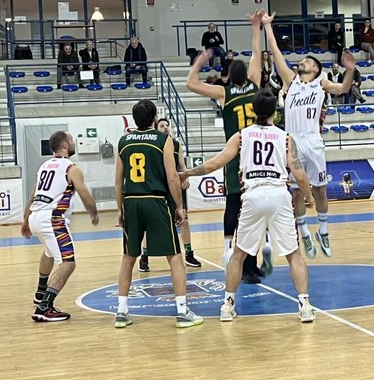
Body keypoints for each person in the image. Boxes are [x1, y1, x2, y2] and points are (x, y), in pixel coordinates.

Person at [184, 89, 316, 323]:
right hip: (278, 194)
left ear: (253, 111)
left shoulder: (241, 136)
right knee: (294, 254)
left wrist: (187, 172)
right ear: (274, 113)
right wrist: (309, 198)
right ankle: (305, 305)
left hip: (253, 195)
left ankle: (227, 305)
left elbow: (215, 163)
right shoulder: (285, 138)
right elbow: (300, 174)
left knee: (238, 254)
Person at [264, 17, 357, 258]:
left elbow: (344, 89)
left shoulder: (321, 84)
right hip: (292, 141)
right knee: (295, 192)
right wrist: (267, 26)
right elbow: (275, 53)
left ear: (315, 68)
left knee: (321, 190)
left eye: (306, 60)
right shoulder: (290, 81)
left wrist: (350, 69)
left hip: (313, 142)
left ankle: (323, 230)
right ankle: (304, 232)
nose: (301, 62)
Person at [187, 10, 266, 283]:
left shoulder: (224, 93)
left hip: (236, 156)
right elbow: (257, 53)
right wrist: (256, 27)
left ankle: (230, 253)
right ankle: (252, 263)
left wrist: (198, 62)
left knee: (234, 207)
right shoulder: (255, 84)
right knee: (254, 211)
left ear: (229, 76)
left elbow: (190, 84)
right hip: (258, 155)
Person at [114, 99, 203, 329]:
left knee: (128, 257)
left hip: (131, 200)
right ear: (154, 118)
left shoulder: (123, 141)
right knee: (174, 256)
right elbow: (173, 176)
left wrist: (119, 209)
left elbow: (118, 180)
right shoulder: (163, 139)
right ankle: (183, 311)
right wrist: (178, 206)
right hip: (155, 200)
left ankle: (122, 312)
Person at [21, 131, 99, 322]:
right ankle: (44, 307)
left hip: (36, 216)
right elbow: (84, 194)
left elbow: (32, 195)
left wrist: (25, 221)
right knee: (68, 263)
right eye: (71, 140)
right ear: (64, 145)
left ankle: (40, 293)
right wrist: (94, 212)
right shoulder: (71, 168)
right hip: (53, 219)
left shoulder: (44, 166)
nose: (74, 143)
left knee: (48, 253)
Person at [138, 118, 201, 271]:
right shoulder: (153, 144)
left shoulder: (176, 144)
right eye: (162, 126)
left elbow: (182, 165)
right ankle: (144, 257)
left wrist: (185, 176)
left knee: (184, 221)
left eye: (167, 125)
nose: (166, 128)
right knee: (149, 225)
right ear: (155, 128)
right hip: (158, 189)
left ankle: (189, 253)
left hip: (175, 187)